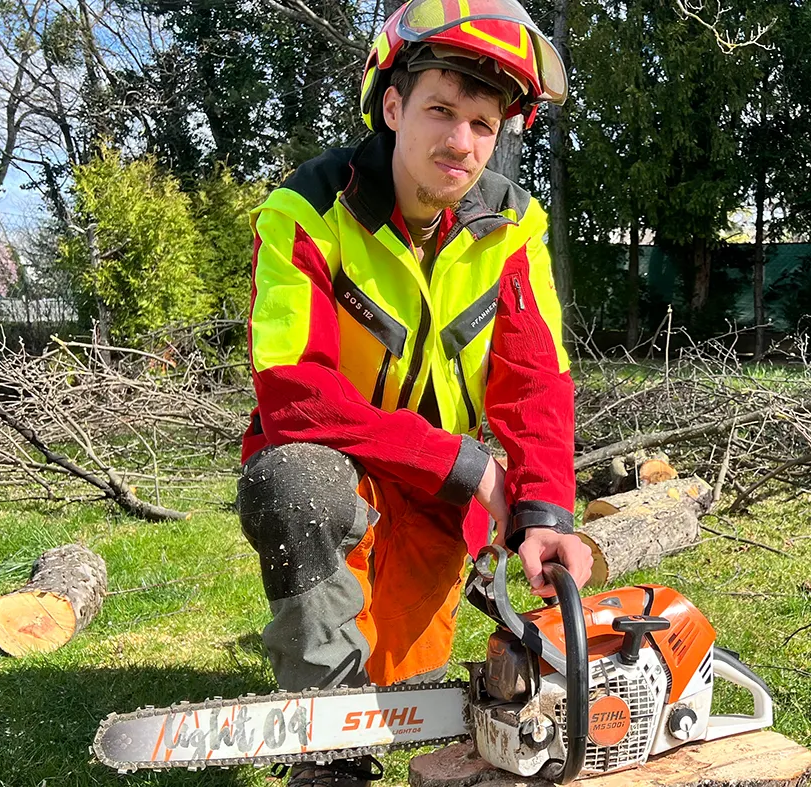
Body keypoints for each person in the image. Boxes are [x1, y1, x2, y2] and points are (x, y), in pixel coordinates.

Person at [235, 2, 590, 783]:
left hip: (432, 506)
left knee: (399, 672)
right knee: (294, 479)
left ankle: (373, 681)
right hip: (343, 478)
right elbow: (295, 392)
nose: (461, 141)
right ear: (392, 106)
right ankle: (328, 753)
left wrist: (544, 511)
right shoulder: (306, 212)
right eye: (440, 110)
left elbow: (536, 382)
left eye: (482, 123)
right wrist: (466, 464)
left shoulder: (514, 229)